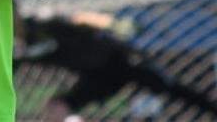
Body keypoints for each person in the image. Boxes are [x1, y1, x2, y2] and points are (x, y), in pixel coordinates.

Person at [15, 8, 217, 121]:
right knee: (59, 106)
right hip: (97, 76)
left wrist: (111, 23)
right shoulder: (16, 49)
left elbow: (80, 17)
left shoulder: (43, 21)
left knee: (174, 89)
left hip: (119, 59)